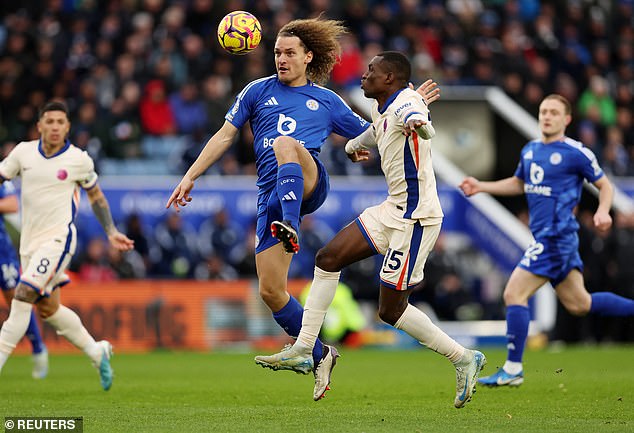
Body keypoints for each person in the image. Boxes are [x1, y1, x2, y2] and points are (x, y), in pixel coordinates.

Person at [166, 18, 438, 400]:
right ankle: (319, 353)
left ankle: (291, 226)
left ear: (308, 57)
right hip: (271, 197)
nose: (281, 58)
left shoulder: (326, 100)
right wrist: (191, 175)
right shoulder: (256, 91)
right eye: (277, 52)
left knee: (285, 144)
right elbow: (226, 134)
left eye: (290, 52)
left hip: (309, 182)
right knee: (271, 290)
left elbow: (379, 127)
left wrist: (411, 106)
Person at [254, 52, 486, 408]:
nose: (363, 77)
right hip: (391, 210)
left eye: (371, 72)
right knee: (328, 258)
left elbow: (415, 118)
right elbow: (374, 132)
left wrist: (419, 120)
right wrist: (351, 147)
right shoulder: (383, 107)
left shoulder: (405, 103)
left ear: (390, 78)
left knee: (390, 311)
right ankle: (304, 347)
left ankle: (463, 358)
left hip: (416, 220)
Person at [458, 94, 634, 387]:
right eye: (543, 111)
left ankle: (513, 369)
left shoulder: (576, 152)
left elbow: (605, 186)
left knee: (514, 293)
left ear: (566, 119)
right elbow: (520, 183)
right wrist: (481, 186)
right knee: (580, 303)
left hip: (557, 237)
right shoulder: (530, 150)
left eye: (554, 112)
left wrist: (603, 211)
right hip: (548, 238)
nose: (547, 116)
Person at [0, 101, 134, 390]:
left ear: (68, 126)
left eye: (61, 121)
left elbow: (96, 197)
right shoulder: (22, 153)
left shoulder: (78, 159)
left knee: (22, 296)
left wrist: (110, 231)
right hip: (30, 245)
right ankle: (96, 351)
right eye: (49, 121)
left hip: (59, 240)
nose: (55, 127)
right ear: (39, 126)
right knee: (49, 309)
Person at [0, 181, 48, 379]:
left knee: (17, 302)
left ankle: (38, 348)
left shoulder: (2, 174)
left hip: (1, 254)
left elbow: (12, 204)